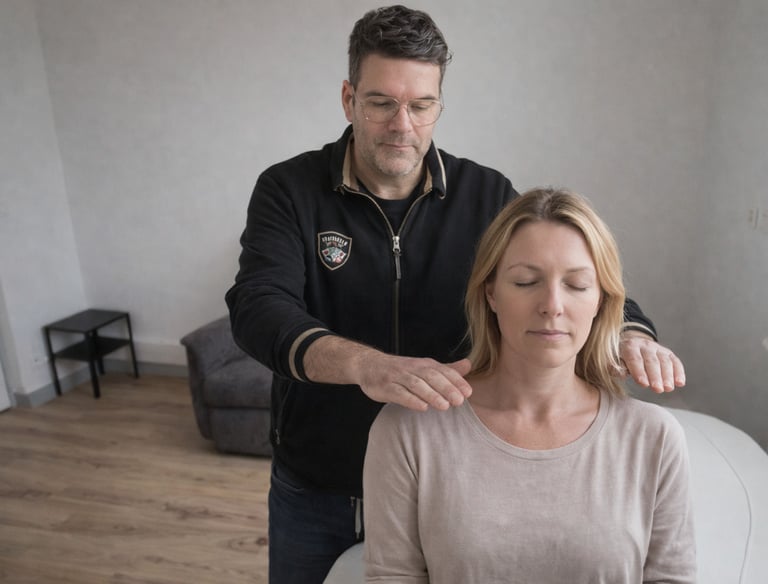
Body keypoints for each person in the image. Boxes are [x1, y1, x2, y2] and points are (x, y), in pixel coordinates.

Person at [225, 5, 685, 583]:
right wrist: (364, 365)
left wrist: (634, 332)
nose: (403, 126)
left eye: (421, 106)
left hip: (446, 477)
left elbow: (570, 270)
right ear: (349, 99)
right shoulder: (288, 189)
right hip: (320, 482)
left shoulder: (486, 194)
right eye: (381, 103)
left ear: (440, 104)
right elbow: (257, 306)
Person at [363, 187, 696, 583]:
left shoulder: (654, 437)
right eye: (525, 282)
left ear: (603, 302)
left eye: (576, 285)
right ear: (491, 294)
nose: (552, 304)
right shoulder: (409, 430)